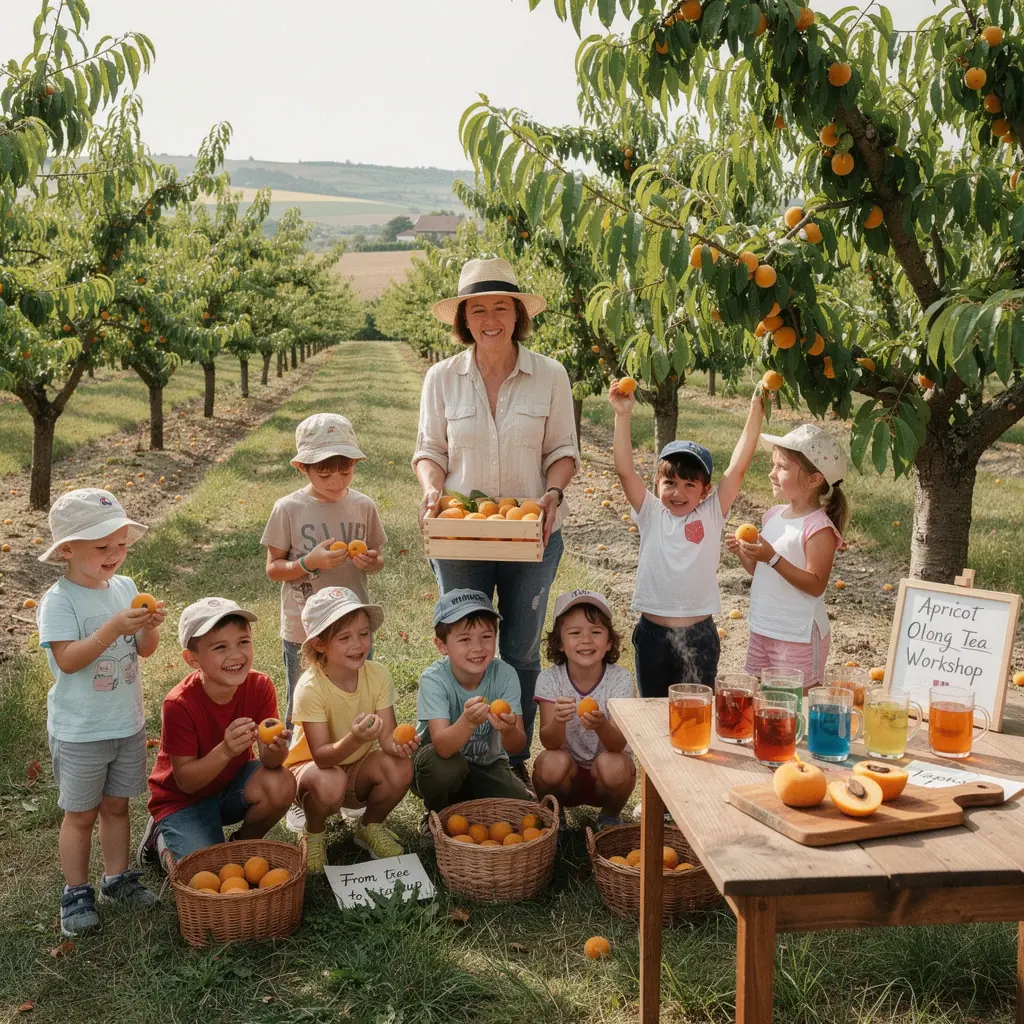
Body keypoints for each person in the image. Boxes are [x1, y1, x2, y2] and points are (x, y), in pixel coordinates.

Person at [413, 257, 580, 788]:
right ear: (464, 317)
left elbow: (563, 450)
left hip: (533, 530)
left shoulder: (549, 375)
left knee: (521, 645)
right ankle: (459, 743)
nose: (490, 318)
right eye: (478, 308)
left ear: (516, 315)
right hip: (460, 531)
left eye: (501, 307)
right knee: (466, 637)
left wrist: (552, 492)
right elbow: (429, 450)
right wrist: (432, 488)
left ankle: (512, 752)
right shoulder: (441, 378)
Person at [35, 488, 165, 936]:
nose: (115, 554)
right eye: (102, 546)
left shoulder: (125, 588)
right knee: (81, 813)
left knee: (116, 806)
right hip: (81, 729)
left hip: (125, 723)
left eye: (121, 544)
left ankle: (117, 877)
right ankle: (75, 892)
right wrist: (112, 628)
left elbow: (144, 651)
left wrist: (147, 627)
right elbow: (68, 660)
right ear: (67, 550)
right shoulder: (60, 600)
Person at [609, 379, 766, 697]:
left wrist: (756, 410)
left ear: (705, 490)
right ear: (657, 483)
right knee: (653, 715)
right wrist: (622, 415)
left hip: (698, 636)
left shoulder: (710, 514)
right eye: (670, 482)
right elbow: (625, 471)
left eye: (689, 485)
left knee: (696, 717)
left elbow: (737, 469)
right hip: (653, 635)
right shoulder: (651, 513)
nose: (678, 493)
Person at [138, 598, 296, 869]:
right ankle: (160, 838)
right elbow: (186, 782)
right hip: (182, 802)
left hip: (229, 787)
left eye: (243, 642)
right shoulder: (179, 704)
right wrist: (226, 750)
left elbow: (270, 764)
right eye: (220, 647)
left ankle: (242, 845)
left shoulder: (259, 685)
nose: (235, 655)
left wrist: (277, 747)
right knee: (202, 872)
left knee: (281, 782)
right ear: (192, 659)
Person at [262, 412, 386, 727]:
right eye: (324, 474)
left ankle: (353, 758)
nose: (336, 481)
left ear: (355, 465)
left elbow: (378, 559)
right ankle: (301, 764)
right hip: (303, 628)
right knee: (303, 702)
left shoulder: (363, 506)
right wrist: (308, 563)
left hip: (352, 626)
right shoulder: (288, 508)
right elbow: (274, 569)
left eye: (345, 473)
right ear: (302, 467)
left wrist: (371, 562)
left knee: (355, 697)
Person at [284, 587, 416, 869]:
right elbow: (321, 757)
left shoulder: (377, 675)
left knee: (401, 767)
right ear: (320, 644)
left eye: (363, 634)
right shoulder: (310, 688)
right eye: (344, 638)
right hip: (311, 772)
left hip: (355, 768)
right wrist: (355, 739)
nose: (357, 645)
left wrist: (401, 746)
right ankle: (315, 832)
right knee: (330, 781)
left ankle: (369, 827)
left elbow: (389, 739)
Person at [726, 424, 849, 688]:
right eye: (774, 465)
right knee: (765, 702)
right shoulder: (773, 516)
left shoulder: (818, 528)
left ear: (814, 479)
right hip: (763, 627)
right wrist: (745, 554)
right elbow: (761, 572)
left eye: (782, 467)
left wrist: (772, 557)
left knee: (795, 706)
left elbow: (815, 584)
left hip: (798, 635)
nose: (772, 474)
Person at [412, 589, 531, 831]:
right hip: (438, 765)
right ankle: (436, 814)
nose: (477, 647)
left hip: (486, 764)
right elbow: (443, 748)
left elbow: (517, 745)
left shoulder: (505, 674)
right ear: (442, 645)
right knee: (444, 768)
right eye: (465, 639)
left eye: (486, 637)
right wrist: (467, 722)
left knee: (523, 810)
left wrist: (508, 731)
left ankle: (468, 803)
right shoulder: (434, 679)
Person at [532, 590, 636, 829]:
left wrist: (600, 725)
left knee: (616, 765)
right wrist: (558, 720)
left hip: (606, 778)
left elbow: (618, 745)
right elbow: (549, 742)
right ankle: (554, 818)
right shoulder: (550, 679)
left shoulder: (620, 679)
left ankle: (609, 818)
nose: (586, 640)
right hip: (567, 776)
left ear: (609, 641)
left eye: (596, 632)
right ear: (559, 642)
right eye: (575, 633)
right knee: (549, 763)